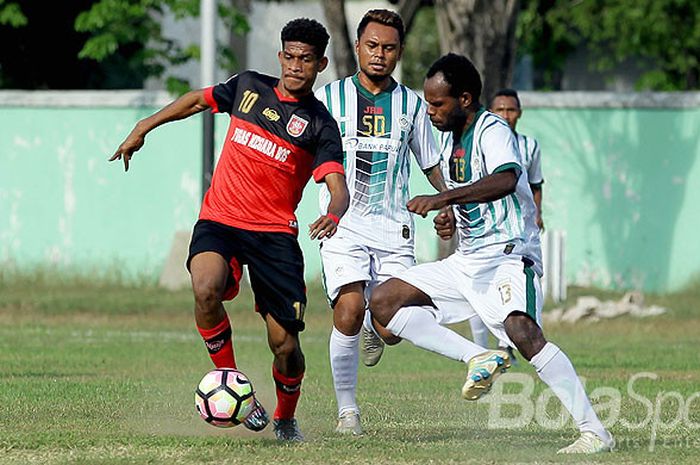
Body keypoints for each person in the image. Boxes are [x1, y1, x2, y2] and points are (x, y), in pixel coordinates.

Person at [110, 18, 349, 442]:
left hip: (274, 236)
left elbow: (337, 184)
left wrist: (333, 211)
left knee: (286, 347)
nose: (296, 66)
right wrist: (144, 125)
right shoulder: (249, 87)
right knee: (205, 287)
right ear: (280, 57)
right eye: (290, 57)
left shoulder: (319, 124)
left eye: (306, 60)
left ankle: (286, 418)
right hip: (220, 218)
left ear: (321, 64)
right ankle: (231, 379)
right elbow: (195, 101)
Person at [369, 53, 614, 454]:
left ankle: (595, 431)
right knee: (383, 301)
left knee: (522, 331)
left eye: (437, 103)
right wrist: (448, 217)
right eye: (428, 102)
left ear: (464, 99)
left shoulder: (492, 128)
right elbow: (471, 201)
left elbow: (505, 179)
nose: (430, 111)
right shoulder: (449, 141)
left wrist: (441, 197)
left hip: (508, 254)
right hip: (468, 260)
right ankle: (478, 355)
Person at [313, 9, 448, 435]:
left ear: (400, 52)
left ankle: (377, 324)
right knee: (349, 309)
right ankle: (347, 412)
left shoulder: (412, 105)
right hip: (343, 224)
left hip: (394, 230)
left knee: (391, 328)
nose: (379, 54)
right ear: (357, 47)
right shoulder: (329, 99)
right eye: (372, 45)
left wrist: (447, 204)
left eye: (389, 47)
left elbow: (430, 163)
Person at [467, 88, 547, 358]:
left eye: (510, 110)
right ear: (490, 112)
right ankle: (481, 349)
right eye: (499, 109)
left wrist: (538, 213)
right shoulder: (479, 141)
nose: (505, 115)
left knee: (516, 283)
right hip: (482, 225)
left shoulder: (529, 146)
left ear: (519, 114)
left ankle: (508, 344)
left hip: (517, 229)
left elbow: (535, 184)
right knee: (476, 284)